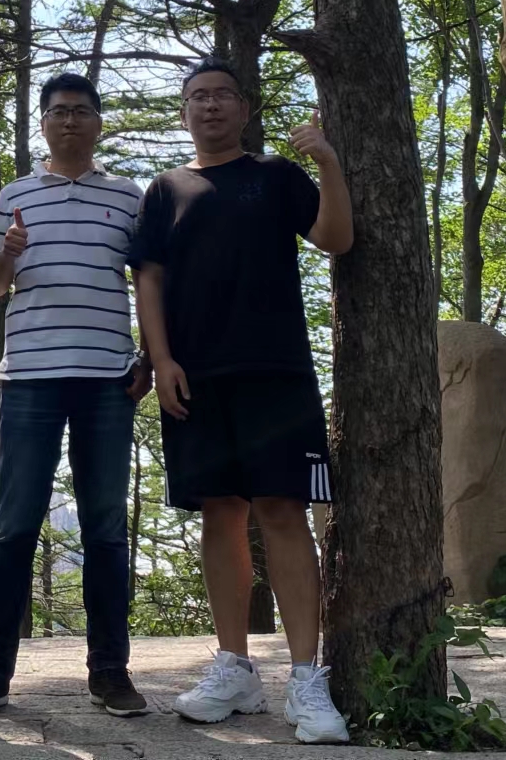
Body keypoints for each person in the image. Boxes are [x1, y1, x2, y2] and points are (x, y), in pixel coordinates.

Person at [127, 58, 354, 743]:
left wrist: (328, 163)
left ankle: (307, 678)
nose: (211, 106)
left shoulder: (276, 174)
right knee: (219, 512)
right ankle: (234, 666)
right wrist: (161, 358)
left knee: (284, 510)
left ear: (244, 107)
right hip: (197, 376)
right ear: (184, 112)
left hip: (277, 372)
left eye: (222, 95)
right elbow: (148, 279)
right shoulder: (166, 189)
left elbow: (336, 239)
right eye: (198, 97)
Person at [0, 73, 149, 718]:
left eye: (81, 111)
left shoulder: (128, 196)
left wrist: (152, 357)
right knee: (14, 527)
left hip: (108, 377)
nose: (70, 120)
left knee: (105, 529)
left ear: (98, 123)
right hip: (30, 376)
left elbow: (150, 282)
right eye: (59, 111)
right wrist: (8, 255)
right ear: (43, 123)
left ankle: (110, 673)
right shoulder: (15, 195)